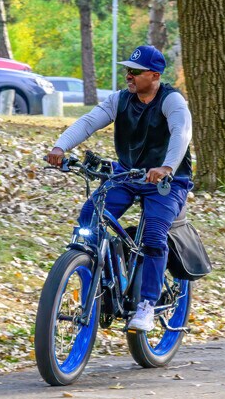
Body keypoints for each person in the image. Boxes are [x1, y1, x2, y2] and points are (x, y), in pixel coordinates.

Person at [46, 45, 193, 331]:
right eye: (127, 70)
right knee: (90, 217)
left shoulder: (172, 101)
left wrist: (166, 167)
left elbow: (181, 133)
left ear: (154, 75)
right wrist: (60, 147)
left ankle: (147, 305)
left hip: (167, 181)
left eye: (135, 72)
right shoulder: (120, 100)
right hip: (127, 174)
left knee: (153, 234)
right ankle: (98, 273)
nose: (128, 75)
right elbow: (89, 122)